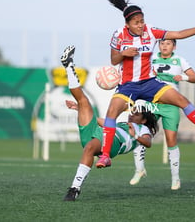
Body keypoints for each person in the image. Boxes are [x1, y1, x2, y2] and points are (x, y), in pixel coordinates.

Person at [95, 0, 195, 169]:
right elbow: (114, 60)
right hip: (128, 86)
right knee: (111, 112)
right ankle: (105, 156)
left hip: (150, 82)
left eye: (142, 21)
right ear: (127, 24)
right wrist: (123, 54)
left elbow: (178, 34)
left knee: (182, 101)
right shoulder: (119, 35)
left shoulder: (151, 31)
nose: (141, 25)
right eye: (136, 23)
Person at [60, 45, 159, 201]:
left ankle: (74, 189)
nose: (132, 115)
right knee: (83, 101)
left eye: (137, 113)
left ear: (144, 120)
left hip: (113, 142)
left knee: (89, 148)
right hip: (97, 133)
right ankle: (69, 66)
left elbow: (148, 143)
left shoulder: (141, 129)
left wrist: (136, 136)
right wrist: (79, 109)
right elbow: (102, 121)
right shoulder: (121, 123)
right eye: (132, 112)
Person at [130, 39, 195, 190]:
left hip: (171, 105)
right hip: (153, 102)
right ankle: (139, 169)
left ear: (174, 46)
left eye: (168, 44)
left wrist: (184, 77)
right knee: (141, 132)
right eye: (162, 43)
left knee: (171, 139)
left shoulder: (179, 60)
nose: (164, 46)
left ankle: (175, 178)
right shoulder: (152, 57)